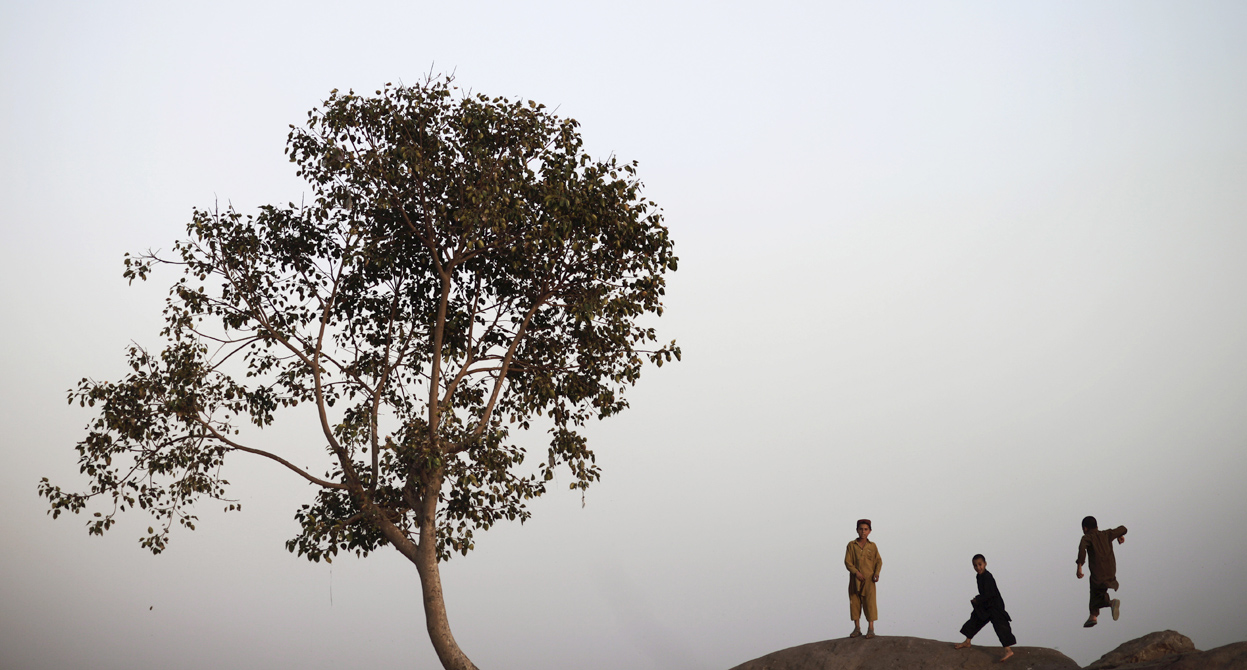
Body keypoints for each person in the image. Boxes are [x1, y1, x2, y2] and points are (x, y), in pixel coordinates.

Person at [954, 554, 1016, 663]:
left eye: (980, 564)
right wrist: (978, 600)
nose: (978, 567)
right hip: (986, 604)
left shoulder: (987, 576)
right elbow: (984, 593)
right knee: (975, 618)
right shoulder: (979, 576)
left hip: (995, 605)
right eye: (975, 565)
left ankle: (1008, 650)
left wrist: (978, 599)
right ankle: (967, 641)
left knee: (1000, 626)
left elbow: (990, 593)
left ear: (985, 564)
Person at [1076, 515, 1127, 628]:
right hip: (1111, 572)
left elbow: (1082, 550)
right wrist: (1120, 535)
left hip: (1098, 574)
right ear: (1097, 526)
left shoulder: (1086, 538)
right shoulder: (1107, 534)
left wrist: (1079, 566)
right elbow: (1123, 528)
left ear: (1085, 529)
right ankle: (1093, 616)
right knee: (1098, 593)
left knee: (1094, 591)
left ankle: (1101, 610)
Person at [844, 518, 882, 639]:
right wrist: (856, 573)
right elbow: (847, 562)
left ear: (870, 531)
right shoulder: (851, 545)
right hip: (855, 580)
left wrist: (876, 573)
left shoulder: (872, 546)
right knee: (855, 602)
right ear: (857, 530)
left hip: (869, 580)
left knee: (870, 603)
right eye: (861, 529)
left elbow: (878, 561)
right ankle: (857, 628)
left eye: (866, 529)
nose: (863, 532)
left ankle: (871, 629)